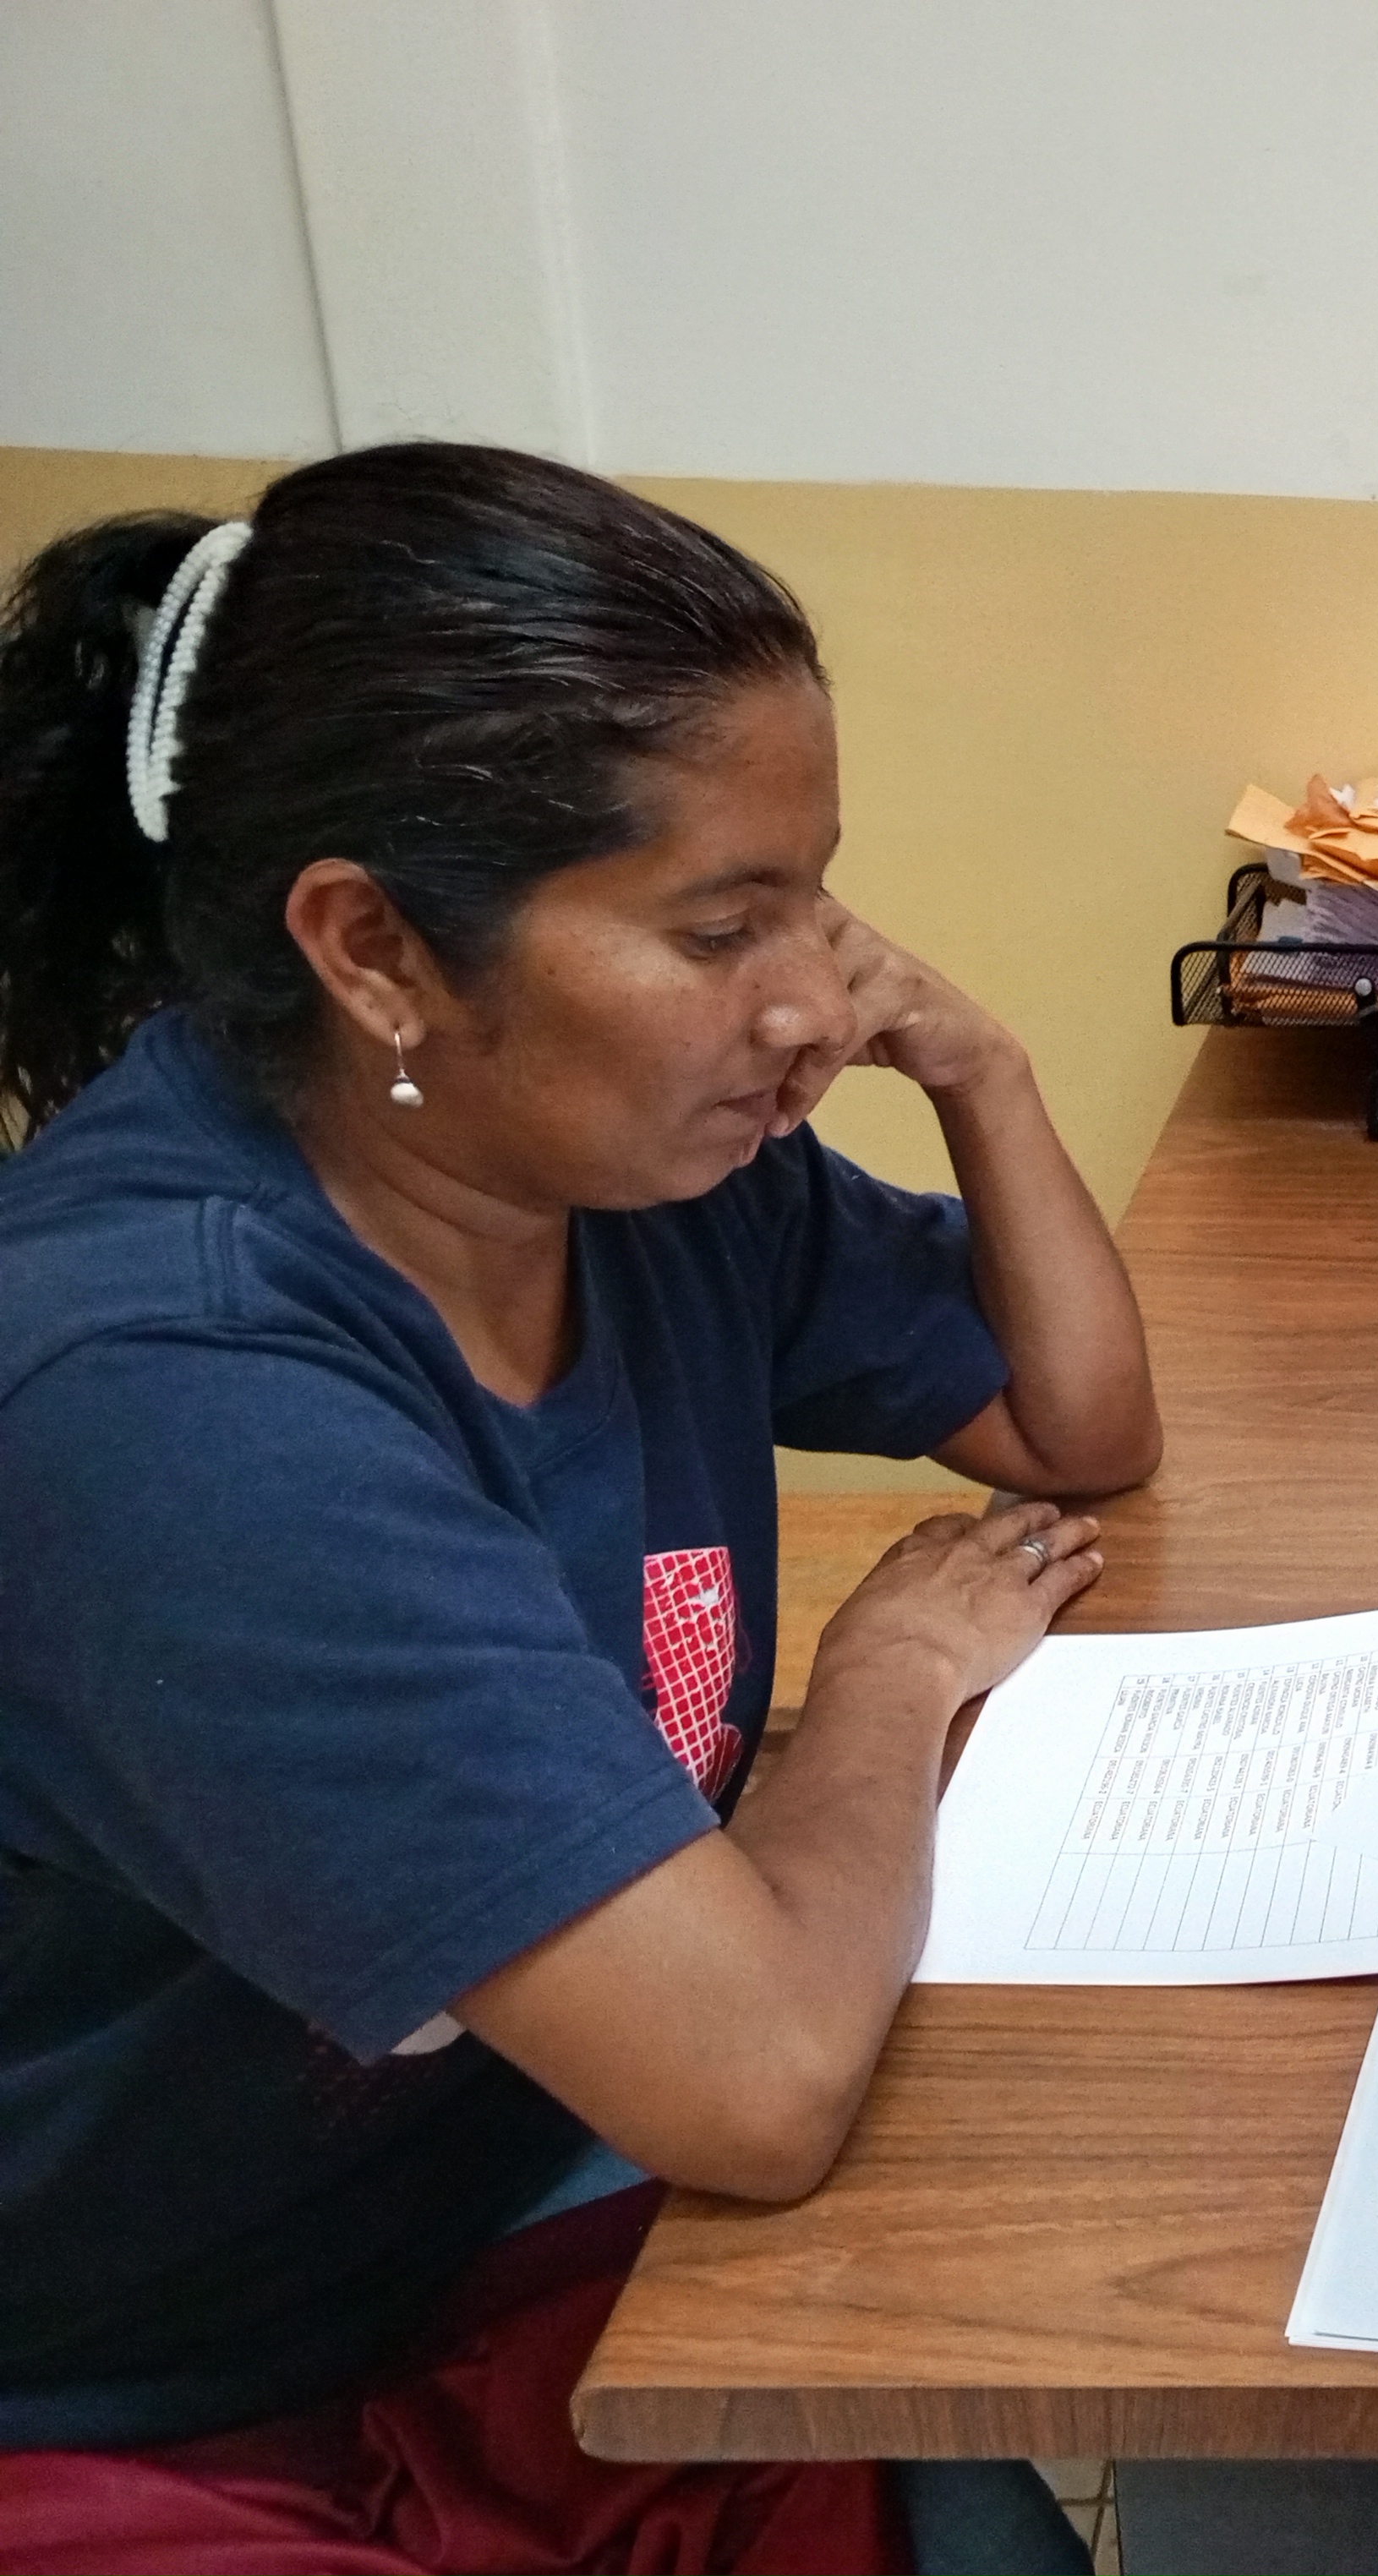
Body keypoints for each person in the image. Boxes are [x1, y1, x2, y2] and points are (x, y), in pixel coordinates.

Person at [0, 444, 1153, 2573]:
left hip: (454, 2213)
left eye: (815, 900)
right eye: (720, 926)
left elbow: (1073, 1430)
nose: (815, 1001)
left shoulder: (628, 1174)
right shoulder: (173, 1396)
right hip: (128, 2386)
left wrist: (983, 1067)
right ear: (371, 948)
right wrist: (886, 1681)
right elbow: (756, 2080)